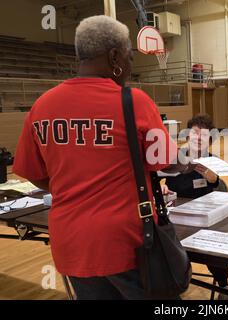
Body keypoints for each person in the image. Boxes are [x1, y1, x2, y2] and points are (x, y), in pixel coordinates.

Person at [13, 15, 192, 300]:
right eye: (129, 56)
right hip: (126, 243)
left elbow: (32, 171)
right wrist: (187, 159)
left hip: (71, 242)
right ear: (114, 56)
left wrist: (71, 188)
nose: (131, 66)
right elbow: (167, 161)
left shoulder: (41, 106)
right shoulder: (133, 100)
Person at [162, 114, 228, 298]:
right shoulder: (173, 159)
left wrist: (214, 179)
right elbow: (158, 182)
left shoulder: (213, 161)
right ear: (187, 137)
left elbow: (224, 192)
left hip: (205, 218)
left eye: (204, 135)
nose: (198, 138)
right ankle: (173, 286)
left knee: (216, 245)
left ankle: (224, 287)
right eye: (195, 134)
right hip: (176, 218)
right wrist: (161, 186)